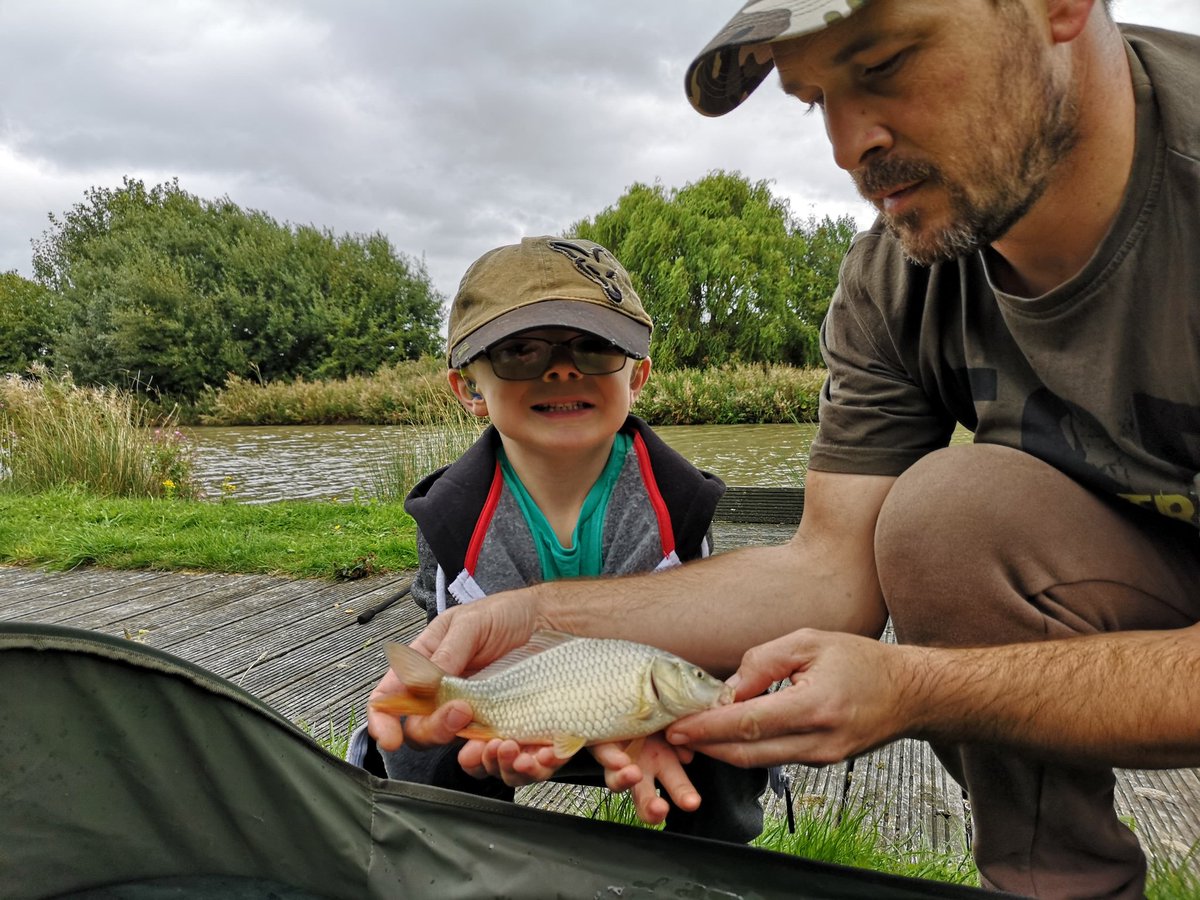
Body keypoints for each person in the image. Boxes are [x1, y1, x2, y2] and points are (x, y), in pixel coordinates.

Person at [369, 2, 1200, 896]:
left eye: (883, 64)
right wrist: (534, 620)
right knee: (951, 515)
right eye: (814, 100)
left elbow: (909, 674)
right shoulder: (895, 275)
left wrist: (919, 688)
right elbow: (828, 573)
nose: (846, 148)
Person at [358, 234, 769, 843]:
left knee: (726, 709)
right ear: (469, 390)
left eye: (594, 346)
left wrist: (655, 715)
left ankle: (714, 859)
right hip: (513, 706)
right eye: (519, 351)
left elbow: (705, 637)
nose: (561, 368)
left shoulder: (680, 503)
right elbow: (452, 648)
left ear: (638, 377)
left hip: (645, 713)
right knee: (416, 737)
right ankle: (454, 853)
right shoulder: (449, 516)